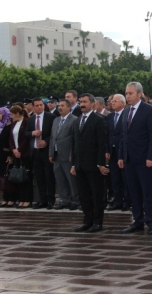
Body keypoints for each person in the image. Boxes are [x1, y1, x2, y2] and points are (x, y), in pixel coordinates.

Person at [119, 82, 152, 235]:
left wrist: (150, 156)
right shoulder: (126, 111)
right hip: (129, 158)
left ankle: (151, 221)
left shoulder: (148, 110)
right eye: (126, 93)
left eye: (130, 93)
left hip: (144, 159)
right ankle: (138, 221)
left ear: (139, 94)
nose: (127, 96)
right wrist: (121, 156)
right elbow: (123, 136)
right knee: (133, 192)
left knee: (147, 191)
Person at [70, 93, 108, 233]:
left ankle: (97, 222)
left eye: (85, 102)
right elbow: (74, 144)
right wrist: (74, 164)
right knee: (84, 195)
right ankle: (87, 220)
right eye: (81, 102)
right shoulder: (77, 120)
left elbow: (101, 143)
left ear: (93, 104)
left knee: (96, 194)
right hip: (80, 165)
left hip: (93, 165)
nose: (82, 104)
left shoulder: (98, 120)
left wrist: (100, 163)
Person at [49, 99, 79, 210]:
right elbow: (53, 138)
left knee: (71, 179)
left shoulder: (74, 120)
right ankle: (64, 199)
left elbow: (74, 140)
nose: (59, 108)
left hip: (68, 155)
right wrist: (51, 153)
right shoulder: (56, 120)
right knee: (60, 178)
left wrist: (73, 154)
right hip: (57, 155)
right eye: (59, 106)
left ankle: (75, 200)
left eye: (62, 105)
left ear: (69, 107)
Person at [26, 98, 57, 209]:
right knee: (39, 177)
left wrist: (46, 141)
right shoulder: (31, 119)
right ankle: (42, 200)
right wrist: (32, 133)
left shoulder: (51, 117)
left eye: (41, 105)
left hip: (46, 151)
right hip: (35, 151)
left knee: (49, 176)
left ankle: (51, 200)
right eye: (37, 105)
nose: (39, 107)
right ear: (33, 107)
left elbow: (54, 133)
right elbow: (26, 133)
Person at [105, 94, 131, 211]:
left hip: (123, 152)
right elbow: (107, 134)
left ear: (122, 103)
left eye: (115, 101)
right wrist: (107, 150)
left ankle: (127, 201)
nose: (112, 103)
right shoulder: (109, 117)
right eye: (112, 101)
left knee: (125, 178)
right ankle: (117, 201)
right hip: (112, 151)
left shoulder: (127, 115)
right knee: (114, 178)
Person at [8, 105, 33, 208]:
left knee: (26, 177)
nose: (11, 116)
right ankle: (21, 198)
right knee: (18, 177)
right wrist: (13, 149)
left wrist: (20, 150)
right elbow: (11, 138)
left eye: (12, 114)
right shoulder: (13, 124)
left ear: (17, 114)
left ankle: (27, 199)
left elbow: (25, 138)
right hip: (16, 154)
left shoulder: (26, 122)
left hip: (25, 153)